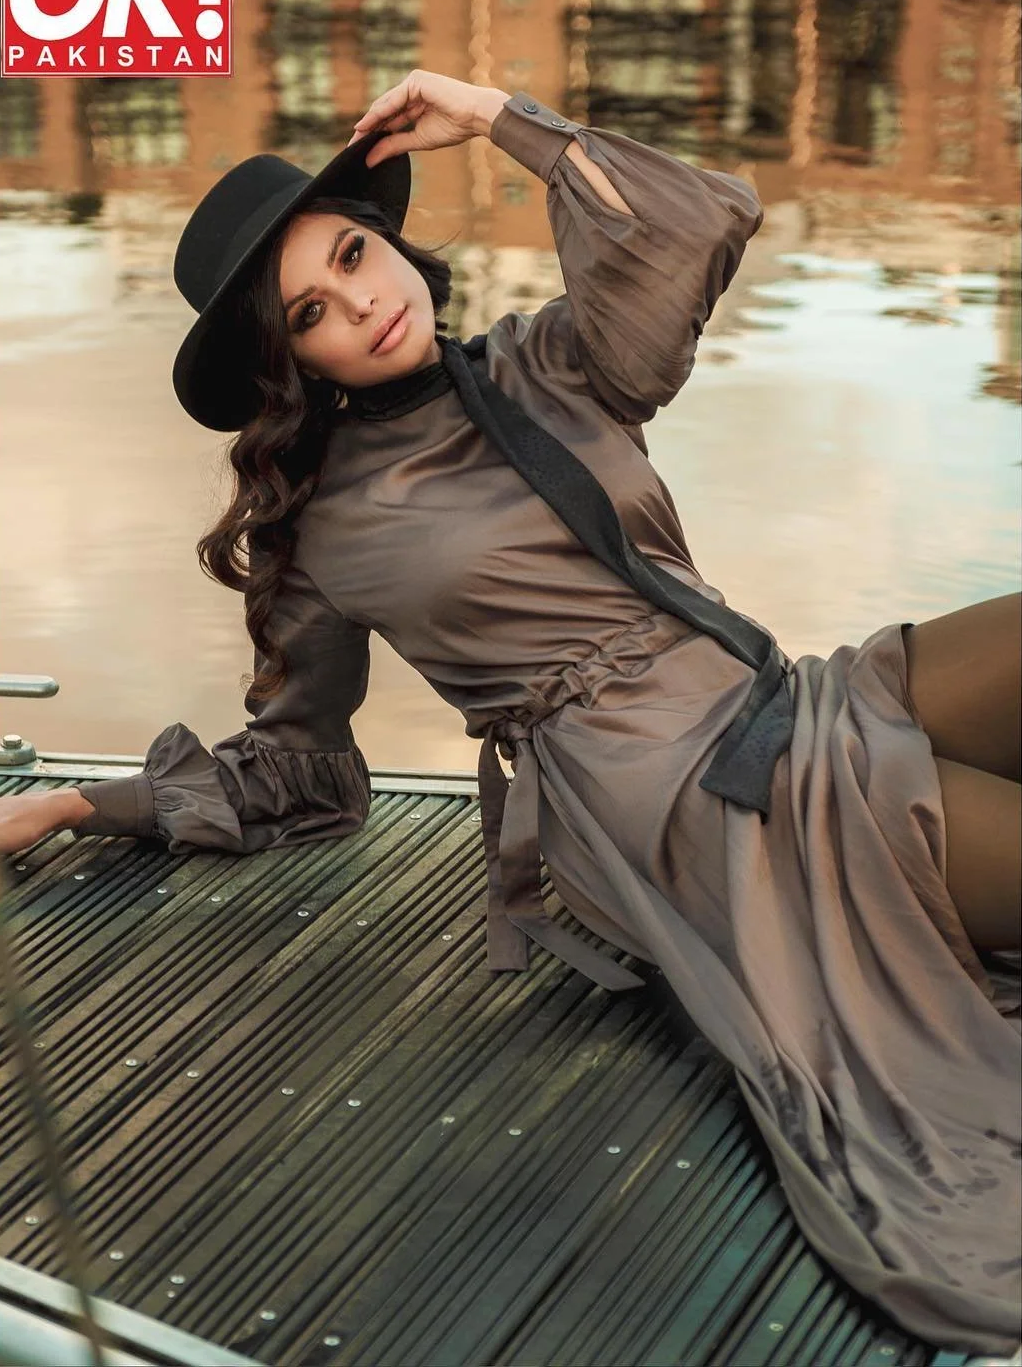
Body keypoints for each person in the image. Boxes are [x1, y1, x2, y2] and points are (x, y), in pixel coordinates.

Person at [1, 71, 1019, 1355]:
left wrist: (497, 119)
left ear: (396, 245)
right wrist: (71, 803)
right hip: (690, 808)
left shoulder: (552, 363)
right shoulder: (315, 529)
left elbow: (698, 219)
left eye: (356, 255)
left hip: (792, 701)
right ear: (288, 359)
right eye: (311, 311)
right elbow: (303, 772)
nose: (363, 302)